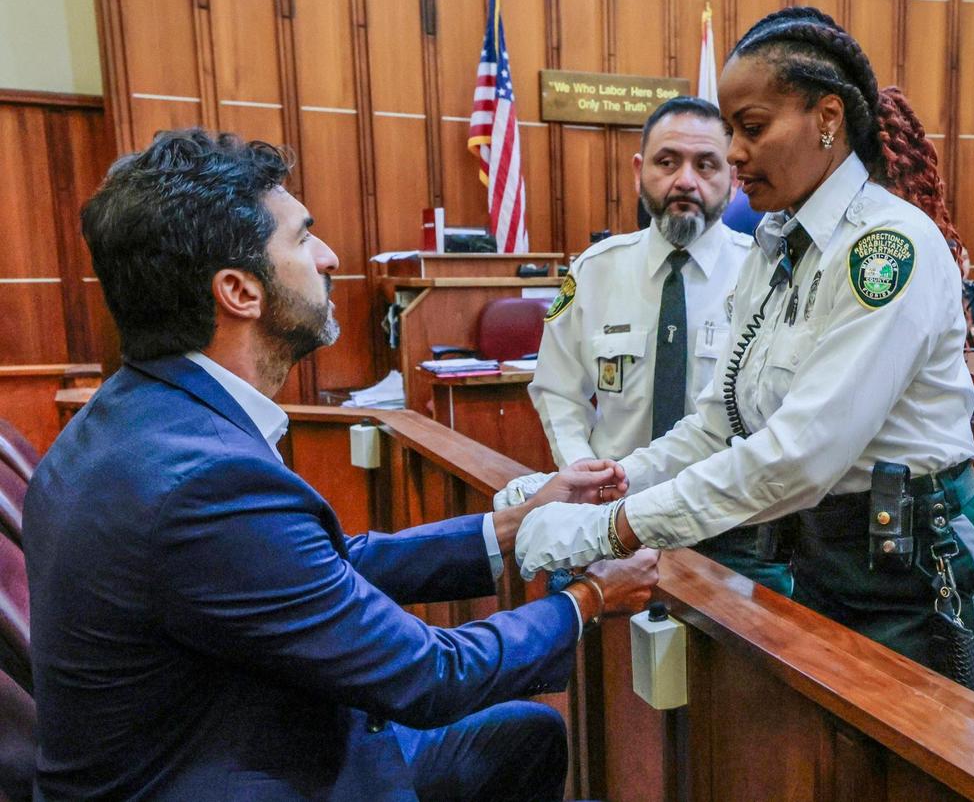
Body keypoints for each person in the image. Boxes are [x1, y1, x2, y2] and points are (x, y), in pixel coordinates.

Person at [22, 129, 659, 801]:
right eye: (302, 239)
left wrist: (513, 525)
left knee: (525, 736)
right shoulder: (201, 483)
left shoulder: (126, 416)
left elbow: (319, 566)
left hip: (239, 740)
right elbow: (429, 674)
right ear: (239, 290)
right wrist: (590, 597)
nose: (329, 257)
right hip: (235, 773)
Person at [514, 7, 974, 704]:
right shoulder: (776, 248)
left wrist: (612, 526)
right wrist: (608, 481)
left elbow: (797, 456)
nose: (734, 153)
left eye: (750, 128)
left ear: (827, 118)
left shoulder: (885, 248)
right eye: (729, 130)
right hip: (825, 561)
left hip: (920, 572)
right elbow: (718, 422)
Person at [527, 96, 788, 591]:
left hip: (731, 533)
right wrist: (581, 473)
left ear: (732, 177)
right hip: (608, 520)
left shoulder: (767, 273)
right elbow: (558, 391)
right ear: (638, 170)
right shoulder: (595, 271)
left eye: (706, 164)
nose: (685, 181)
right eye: (667, 162)